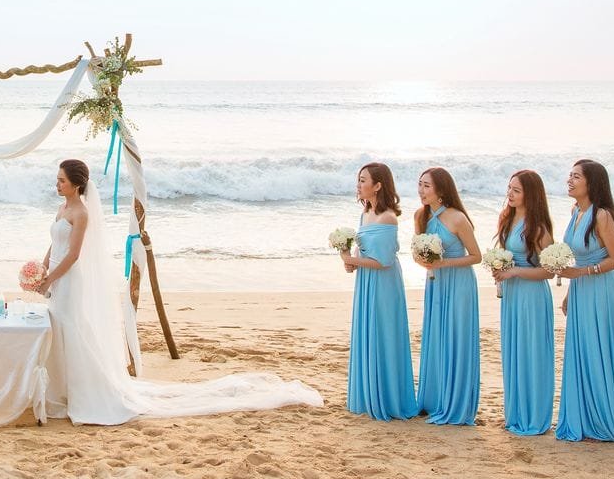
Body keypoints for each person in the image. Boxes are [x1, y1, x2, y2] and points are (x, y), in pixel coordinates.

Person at [36, 158, 320, 425]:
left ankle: (82, 392)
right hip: (57, 277)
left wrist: (51, 279)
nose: (57, 184)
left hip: (69, 279)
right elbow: (55, 244)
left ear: (76, 185)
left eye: (61, 180)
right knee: (59, 327)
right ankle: (61, 389)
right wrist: (42, 268)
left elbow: (74, 255)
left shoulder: (81, 213)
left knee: (72, 329)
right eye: (57, 179)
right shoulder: (62, 208)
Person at [555, 159, 614, 445]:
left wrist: (582, 273)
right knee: (582, 351)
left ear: (592, 183)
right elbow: (578, 259)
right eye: (570, 175)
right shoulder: (575, 211)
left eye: (576, 177)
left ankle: (604, 420)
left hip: (602, 289)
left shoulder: (601, 215)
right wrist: (570, 290)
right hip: (581, 289)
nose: (569, 180)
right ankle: (586, 419)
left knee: (598, 349)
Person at [345, 162, 418, 421]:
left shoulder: (388, 217)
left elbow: (383, 261)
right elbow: (362, 254)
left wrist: (353, 260)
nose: (358, 184)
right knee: (367, 332)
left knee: (383, 333)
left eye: (363, 180)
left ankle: (387, 397)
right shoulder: (364, 214)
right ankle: (368, 394)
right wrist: (350, 261)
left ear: (377, 186)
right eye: (358, 179)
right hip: (366, 281)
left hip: (384, 283)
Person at [411, 167, 480, 426]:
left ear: (441, 190)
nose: (421, 190)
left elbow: (476, 256)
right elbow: (417, 252)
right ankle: (433, 399)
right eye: (420, 184)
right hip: (435, 284)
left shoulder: (457, 218)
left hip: (459, 283)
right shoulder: (420, 216)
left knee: (456, 337)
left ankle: (455, 402)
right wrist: (423, 261)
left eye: (426, 186)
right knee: (436, 336)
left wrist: (443, 263)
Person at [493, 170, 556, 436]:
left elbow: (549, 271)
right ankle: (516, 412)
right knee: (514, 350)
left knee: (532, 351)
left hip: (531, 295)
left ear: (530, 195)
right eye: (509, 188)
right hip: (511, 294)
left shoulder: (538, 228)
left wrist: (515, 271)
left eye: (516, 190)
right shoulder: (507, 219)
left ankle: (535, 415)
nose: (510, 194)